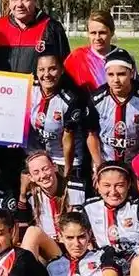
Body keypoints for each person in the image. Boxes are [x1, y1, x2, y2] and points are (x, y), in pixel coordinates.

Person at [0, 0, 70, 193]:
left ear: (35, 0)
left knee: (39, 164)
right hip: (6, 111)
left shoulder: (51, 28)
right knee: (8, 166)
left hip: (39, 112)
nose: (19, 4)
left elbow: (64, 68)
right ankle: (12, 209)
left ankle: (41, 212)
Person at [27, 51, 87, 190]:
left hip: (64, 160)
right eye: (41, 69)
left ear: (61, 70)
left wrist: (67, 169)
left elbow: (68, 139)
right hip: (40, 159)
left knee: (68, 203)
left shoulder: (70, 100)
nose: (46, 74)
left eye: (52, 69)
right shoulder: (30, 89)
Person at [85, 47, 139, 167]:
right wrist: (98, 164)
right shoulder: (96, 99)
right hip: (106, 163)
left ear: (131, 73)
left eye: (121, 74)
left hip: (137, 164)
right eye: (110, 74)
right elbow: (92, 135)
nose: (116, 80)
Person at [17, 150, 86, 241]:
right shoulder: (31, 197)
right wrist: (22, 195)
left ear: (55, 167)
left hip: (75, 241)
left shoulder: (78, 189)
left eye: (45, 169)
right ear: (31, 178)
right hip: (49, 245)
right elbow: (23, 227)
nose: (43, 175)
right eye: (36, 172)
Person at [63, 10, 118, 95]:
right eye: (93, 33)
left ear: (112, 32)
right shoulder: (76, 57)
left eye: (102, 32)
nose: (97, 37)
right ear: (88, 33)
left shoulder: (123, 58)